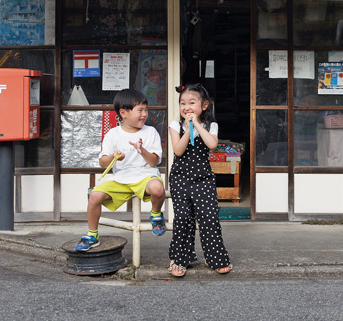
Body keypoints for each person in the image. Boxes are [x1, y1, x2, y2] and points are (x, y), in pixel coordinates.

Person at [74, 88, 166, 251]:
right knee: (95, 196)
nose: (144, 114)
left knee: (158, 189)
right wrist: (113, 157)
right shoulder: (113, 134)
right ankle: (92, 234)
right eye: (140, 110)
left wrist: (142, 150)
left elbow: (153, 162)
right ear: (123, 113)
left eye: (146, 109)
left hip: (146, 176)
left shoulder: (151, 132)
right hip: (121, 178)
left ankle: (156, 214)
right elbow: (103, 162)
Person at [167, 84, 232, 277]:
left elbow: (212, 144)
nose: (186, 107)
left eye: (191, 103)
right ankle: (179, 260)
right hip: (180, 178)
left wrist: (196, 124)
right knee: (183, 219)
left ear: (204, 106)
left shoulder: (211, 126)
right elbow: (178, 150)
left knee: (209, 218)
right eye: (182, 103)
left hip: (203, 178)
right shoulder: (174, 125)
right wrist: (188, 128)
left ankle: (216, 259)